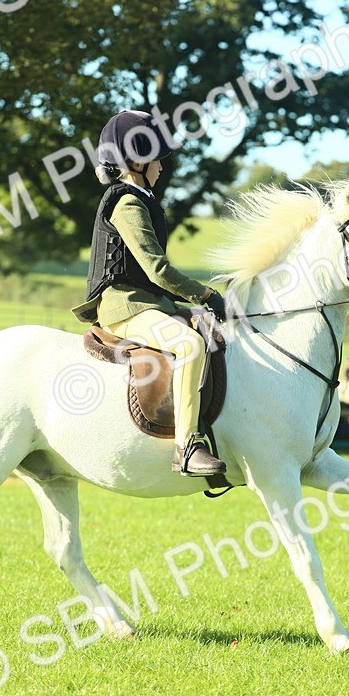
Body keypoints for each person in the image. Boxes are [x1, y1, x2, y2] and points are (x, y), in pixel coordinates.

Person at [72, 110, 228, 477]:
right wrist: (204, 294)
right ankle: (186, 447)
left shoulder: (140, 197)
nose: (161, 167)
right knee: (190, 345)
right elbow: (157, 270)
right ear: (138, 160)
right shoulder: (127, 204)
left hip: (147, 303)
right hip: (126, 308)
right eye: (158, 158)